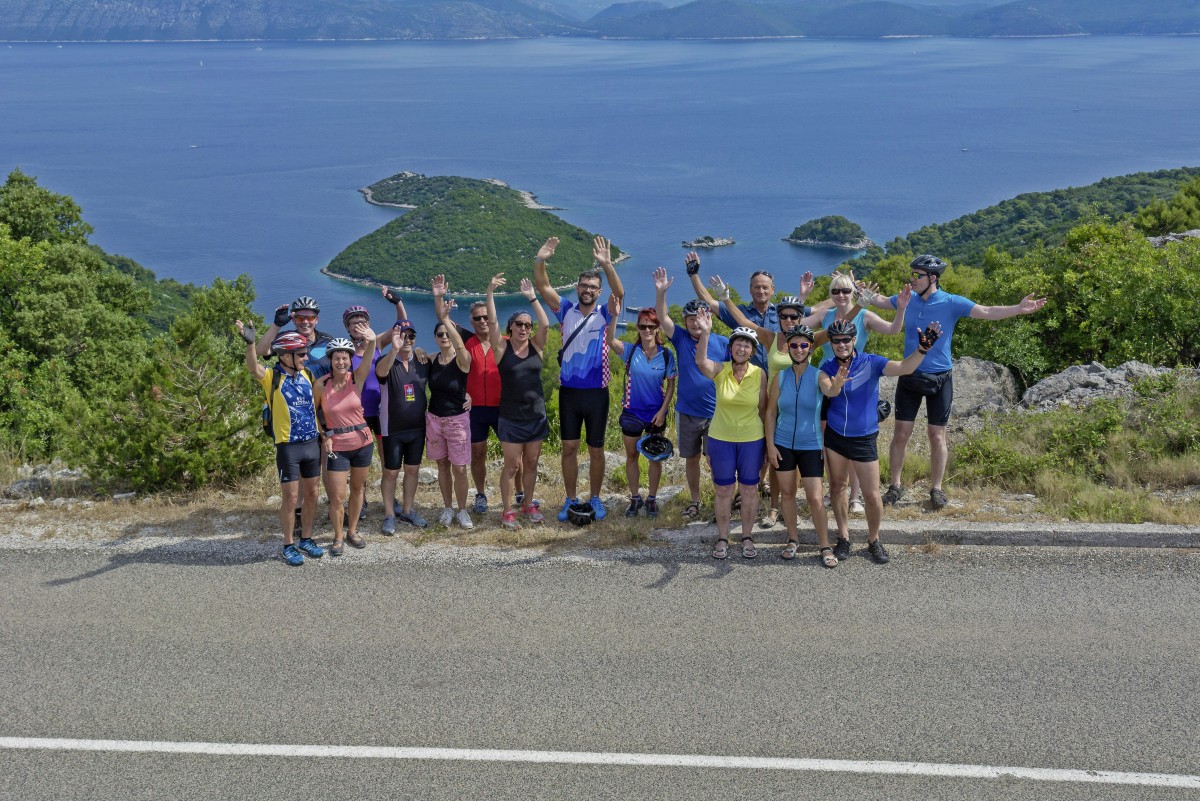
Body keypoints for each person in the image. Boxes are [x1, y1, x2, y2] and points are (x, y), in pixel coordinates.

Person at [862, 254, 1047, 509]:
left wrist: (1018, 308)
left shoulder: (951, 302)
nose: (912, 279)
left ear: (933, 278)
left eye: (918, 275)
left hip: (941, 377)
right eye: (912, 274)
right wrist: (861, 293)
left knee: (937, 436)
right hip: (909, 374)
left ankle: (936, 488)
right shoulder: (909, 300)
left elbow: (986, 311)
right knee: (901, 434)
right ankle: (895, 486)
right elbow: (883, 302)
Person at [706, 274, 841, 527]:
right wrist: (725, 299)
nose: (789, 321)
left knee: (795, 459)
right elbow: (745, 321)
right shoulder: (771, 338)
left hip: (802, 407)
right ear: (778, 318)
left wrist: (850, 298)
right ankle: (772, 508)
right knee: (775, 458)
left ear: (801, 318)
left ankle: (786, 505)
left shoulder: (808, 340)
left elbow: (837, 327)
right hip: (773, 405)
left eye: (794, 317)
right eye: (784, 317)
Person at [819, 318, 942, 564]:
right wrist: (837, 385)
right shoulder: (827, 367)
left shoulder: (871, 362)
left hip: (864, 437)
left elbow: (905, 368)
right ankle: (843, 537)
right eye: (836, 341)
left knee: (872, 495)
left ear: (854, 340)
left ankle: (874, 539)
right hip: (835, 437)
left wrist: (922, 350)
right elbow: (828, 391)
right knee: (836, 488)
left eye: (846, 339)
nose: (841, 344)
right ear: (831, 344)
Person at [532, 235, 625, 523]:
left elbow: (619, 294)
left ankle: (595, 498)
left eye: (593, 287)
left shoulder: (605, 313)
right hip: (569, 392)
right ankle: (571, 498)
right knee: (569, 448)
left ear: (599, 291)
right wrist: (540, 260)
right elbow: (543, 286)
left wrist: (608, 265)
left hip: (597, 392)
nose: (588, 290)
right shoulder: (566, 310)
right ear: (577, 288)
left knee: (597, 450)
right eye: (584, 286)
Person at [818, 271, 908, 515]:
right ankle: (834, 490)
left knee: (857, 440)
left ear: (854, 293)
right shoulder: (824, 315)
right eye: (835, 290)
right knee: (830, 440)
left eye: (846, 290)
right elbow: (794, 330)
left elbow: (892, 330)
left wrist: (900, 308)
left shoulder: (864, 314)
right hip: (828, 380)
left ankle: (855, 497)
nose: (841, 295)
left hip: (857, 381)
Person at [235, 321, 324, 567]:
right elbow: (253, 368)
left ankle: (306, 538)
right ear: (286, 356)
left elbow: (316, 405)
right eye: (302, 354)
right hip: (288, 447)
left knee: (313, 495)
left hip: (311, 443)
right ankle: (288, 544)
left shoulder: (307, 374)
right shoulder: (272, 377)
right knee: (290, 498)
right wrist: (251, 343)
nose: (306, 357)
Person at [431, 275, 521, 515]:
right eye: (477, 318)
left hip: (503, 407)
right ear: (471, 322)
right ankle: (480, 494)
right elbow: (443, 320)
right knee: (478, 454)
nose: (482, 321)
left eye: (486, 317)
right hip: (474, 410)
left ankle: (520, 491)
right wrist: (438, 297)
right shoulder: (466, 340)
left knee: (513, 454)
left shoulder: (506, 342)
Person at [653, 266, 729, 521]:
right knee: (692, 459)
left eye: (701, 316)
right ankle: (696, 501)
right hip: (687, 412)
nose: (696, 322)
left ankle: (721, 500)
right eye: (691, 318)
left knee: (716, 460)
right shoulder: (681, 339)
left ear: (709, 317)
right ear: (685, 321)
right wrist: (661, 293)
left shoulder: (722, 342)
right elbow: (662, 318)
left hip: (716, 412)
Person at [693, 309, 767, 560]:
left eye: (747, 345)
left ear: (752, 351)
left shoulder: (760, 374)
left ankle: (747, 536)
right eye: (738, 343)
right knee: (723, 490)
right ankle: (723, 537)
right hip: (721, 439)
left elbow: (764, 409)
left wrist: (768, 444)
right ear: (731, 347)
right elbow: (700, 362)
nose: (742, 348)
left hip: (751, 439)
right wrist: (705, 333)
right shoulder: (720, 370)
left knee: (749, 489)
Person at [764, 325, 837, 566]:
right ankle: (793, 539)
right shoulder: (780, 377)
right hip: (783, 443)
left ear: (810, 349)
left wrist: (837, 385)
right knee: (787, 493)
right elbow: (771, 413)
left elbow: (831, 390)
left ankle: (825, 544)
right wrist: (770, 445)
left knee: (815, 498)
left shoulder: (819, 375)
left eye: (804, 345)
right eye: (793, 345)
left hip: (811, 444)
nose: (798, 349)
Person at [486, 273, 551, 531]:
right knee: (512, 465)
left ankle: (528, 504)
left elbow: (545, 325)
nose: (524, 328)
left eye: (527, 325)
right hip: (511, 417)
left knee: (532, 463)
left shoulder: (537, 346)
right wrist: (490, 292)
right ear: (510, 328)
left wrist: (533, 298)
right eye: (519, 324)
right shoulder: (502, 350)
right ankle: (507, 510)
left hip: (536, 415)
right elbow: (491, 323)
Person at [605, 295, 677, 518]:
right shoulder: (629, 351)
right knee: (632, 456)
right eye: (642, 326)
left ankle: (652, 499)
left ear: (658, 328)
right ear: (637, 328)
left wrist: (663, 410)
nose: (646, 330)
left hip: (656, 414)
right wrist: (615, 315)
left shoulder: (666, 355)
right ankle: (635, 498)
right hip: (632, 412)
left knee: (655, 457)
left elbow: (671, 385)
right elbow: (609, 340)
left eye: (651, 326)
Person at [313, 333, 377, 555]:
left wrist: (372, 341)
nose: (341, 362)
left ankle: (352, 531)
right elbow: (315, 414)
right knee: (337, 496)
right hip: (337, 446)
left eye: (345, 358)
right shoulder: (321, 386)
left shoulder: (356, 379)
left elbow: (368, 359)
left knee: (358, 490)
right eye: (336, 358)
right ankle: (338, 536)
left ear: (350, 360)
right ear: (330, 360)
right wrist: (325, 435)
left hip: (362, 442)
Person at [427, 289, 476, 530]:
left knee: (459, 467)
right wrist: (416, 351)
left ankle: (462, 509)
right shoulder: (432, 359)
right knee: (443, 465)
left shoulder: (462, 359)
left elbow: (460, 347)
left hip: (457, 420)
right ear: (435, 337)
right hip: (434, 419)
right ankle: (447, 507)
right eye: (440, 334)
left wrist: (447, 320)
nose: (444, 336)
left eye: (448, 333)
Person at [375, 320, 430, 532]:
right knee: (391, 472)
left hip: (417, 428)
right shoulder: (387, 362)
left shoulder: (422, 362)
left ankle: (407, 511)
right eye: (402, 335)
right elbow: (380, 372)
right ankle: (389, 514)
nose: (407, 340)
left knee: (413, 470)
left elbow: (446, 363)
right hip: (393, 428)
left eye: (411, 336)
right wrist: (394, 349)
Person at [341, 304, 384, 523]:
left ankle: (388, 499)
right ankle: (362, 500)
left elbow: (401, 327)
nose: (358, 325)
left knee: (387, 459)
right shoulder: (345, 352)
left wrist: (397, 303)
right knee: (359, 463)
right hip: (358, 414)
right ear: (347, 328)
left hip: (381, 410)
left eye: (362, 321)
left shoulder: (376, 343)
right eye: (353, 322)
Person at [255, 296, 335, 375]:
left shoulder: (328, 341)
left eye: (310, 318)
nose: (305, 322)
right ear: (293, 320)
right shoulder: (286, 340)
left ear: (316, 320)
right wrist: (277, 325)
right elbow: (260, 351)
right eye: (300, 318)